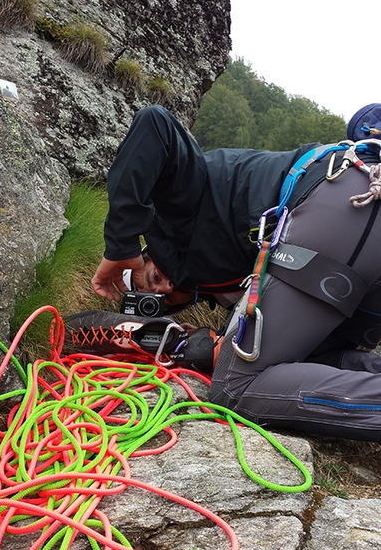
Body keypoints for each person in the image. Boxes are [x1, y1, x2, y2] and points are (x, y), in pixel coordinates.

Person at [89, 103, 381, 443]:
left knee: (235, 386)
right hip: (355, 222)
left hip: (348, 198)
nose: (168, 284)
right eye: (165, 300)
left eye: (153, 277)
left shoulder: (178, 208)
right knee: (311, 355)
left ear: (149, 252)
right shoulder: (223, 285)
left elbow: (155, 124)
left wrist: (121, 242)